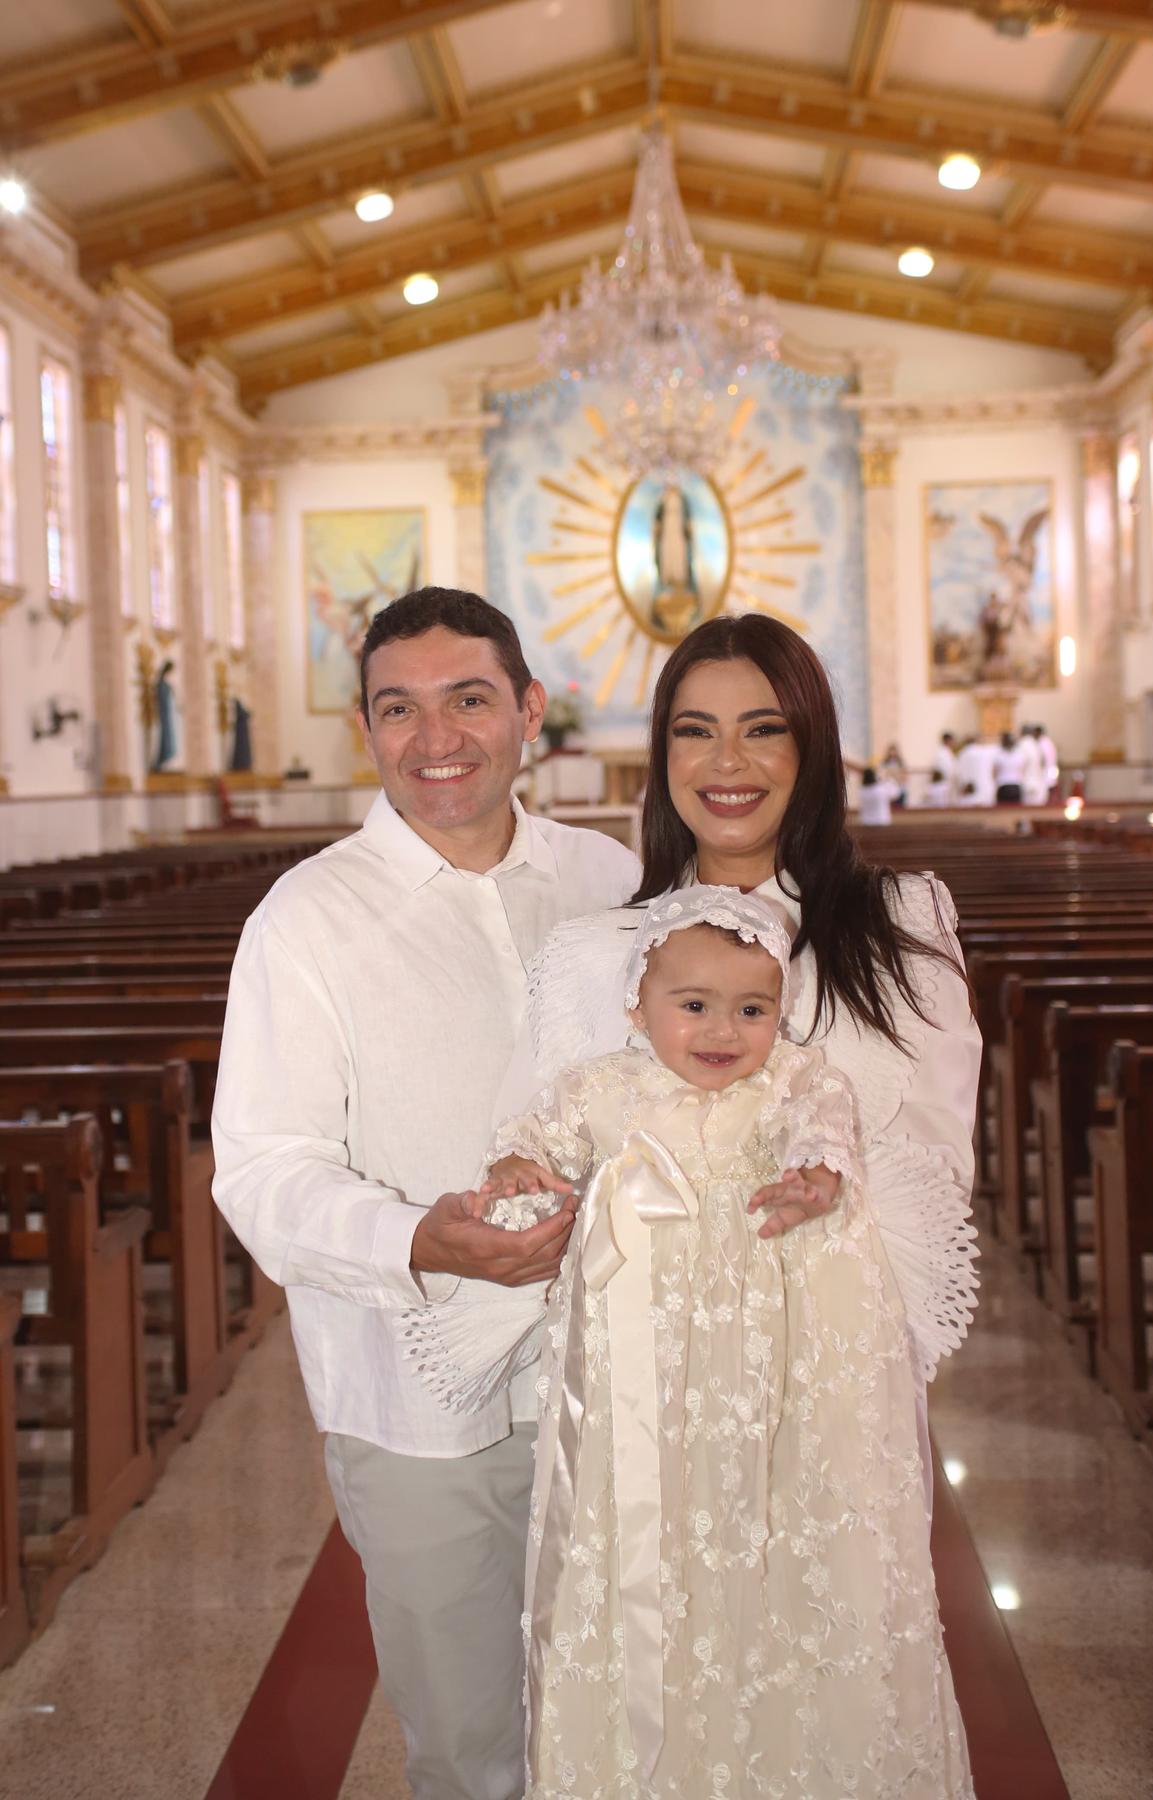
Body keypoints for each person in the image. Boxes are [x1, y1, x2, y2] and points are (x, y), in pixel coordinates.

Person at [211, 586, 639, 1800]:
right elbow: (262, 1170)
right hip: (415, 1400)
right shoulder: (307, 921)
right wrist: (421, 1241)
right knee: (468, 1749)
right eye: (399, 709)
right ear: (366, 730)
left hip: (614, 1372)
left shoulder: (607, 879)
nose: (435, 737)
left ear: (529, 714)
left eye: (468, 700)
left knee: (627, 1712)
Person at [484, 887, 972, 1797]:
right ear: (638, 1005)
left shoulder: (795, 1077)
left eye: (752, 1009)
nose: (723, 1029)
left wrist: (815, 1177)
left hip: (775, 1361)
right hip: (645, 1373)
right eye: (693, 1005)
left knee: (781, 1536)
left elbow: (821, 1130)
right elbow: (535, 1137)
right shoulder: (605, 1087)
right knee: (653, 1547)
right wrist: (518, 1165)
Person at [954, 734, 999, 807]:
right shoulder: (985, 751)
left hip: (968, 791)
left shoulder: (962, 753)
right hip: (986, 791)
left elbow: (957, 773)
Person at [1018, 722, 1048, 806]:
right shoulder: (1036, 744)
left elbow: (1020, 764)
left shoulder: (1022, 744)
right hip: (1038, 781)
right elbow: (1043, 762)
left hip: (1026, 781)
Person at [927, 730, 958, 806]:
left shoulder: (948, 752)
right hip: (942, 784)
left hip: (947, 784)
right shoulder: (941, 753)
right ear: (948, 740)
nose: (954, 743)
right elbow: (945, 770)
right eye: (952, 740)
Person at [994, 729, 1025, 803]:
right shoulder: (1019, 754)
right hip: (1016, 785)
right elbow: (1023, 769)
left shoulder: (998, 754)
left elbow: (994, 772)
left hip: (1003, 785)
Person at [880, 738, 908, 807]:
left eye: (894, 751)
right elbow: (881, 775)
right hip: (888, 787)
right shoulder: (884, 763)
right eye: (891, 751)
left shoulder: (900, 763)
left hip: (899, 786)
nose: (892, 753)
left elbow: (905, 775)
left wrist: (899, 778)